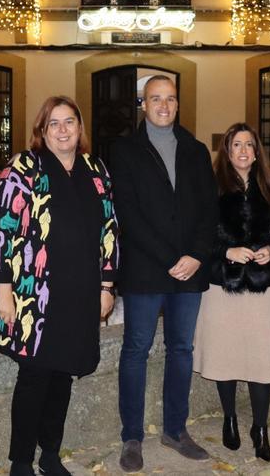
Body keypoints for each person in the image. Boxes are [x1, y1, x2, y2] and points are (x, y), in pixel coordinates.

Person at [0, 97, 119, 476]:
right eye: (54, 124)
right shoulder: (23, 167)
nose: (63, 130)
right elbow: (0, 229)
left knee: (62, 374)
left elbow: (110, 229)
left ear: (80, 128)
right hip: (33, 295)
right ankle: (20, 460)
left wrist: (107, 285)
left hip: (80, 292)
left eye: (70, 122)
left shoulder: (96, 169)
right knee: (33, 376)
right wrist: (3, 291)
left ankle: (50, 454)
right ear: (42, 131)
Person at [110, 75, 218, 472]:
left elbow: (209, 210)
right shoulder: (124, 150)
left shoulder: (196, 149)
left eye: (170, 99)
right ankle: (131, 437)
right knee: (136, 351)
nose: (164, 105)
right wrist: (170, 257)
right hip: (144, 268)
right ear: (143, 103)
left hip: (189, 270)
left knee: (182, 350)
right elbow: (127, 213)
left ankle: (175, 430)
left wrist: (195, 255)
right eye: (156, 99)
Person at [193, 123, 270, 463]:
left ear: (257, 151)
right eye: (236, 145)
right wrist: (226, 252)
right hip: (222, 286)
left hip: (262, 286)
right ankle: (229, 416)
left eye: (249, 145)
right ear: (227, 152)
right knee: (225, 354)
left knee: (261, 357)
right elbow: (199, 234)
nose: (244, 151)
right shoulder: (211, 188)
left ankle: (260, 428)